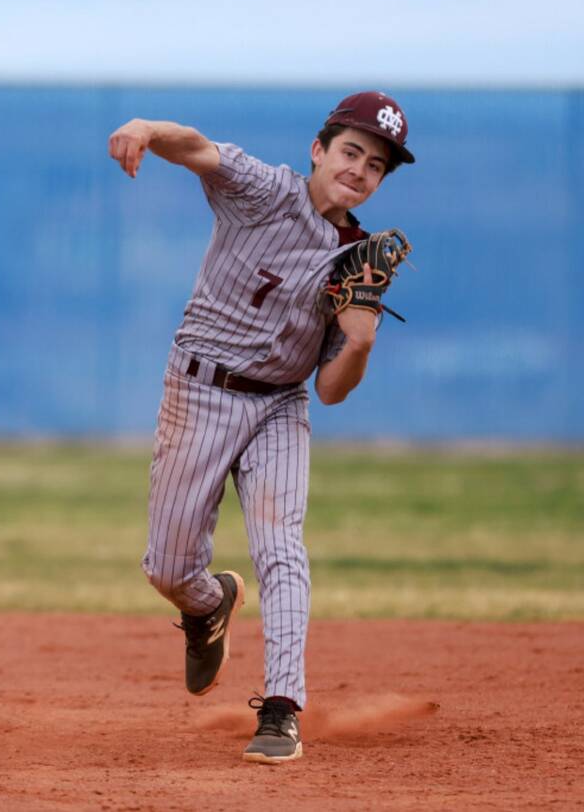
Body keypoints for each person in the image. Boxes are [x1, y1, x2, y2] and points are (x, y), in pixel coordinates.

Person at [107, 91, 416, 764]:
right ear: (319, 150)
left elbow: (329, 391)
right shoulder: (264, 191)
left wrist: (359, 340)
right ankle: (208, 603)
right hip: (198, 388)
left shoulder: (358, 260)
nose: (360, 170)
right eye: (351, 152)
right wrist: (144, 128)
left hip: (279, 405)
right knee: (166, 567)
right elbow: (194, 147)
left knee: (282, 548)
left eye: (376, 166)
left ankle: (281, 710)